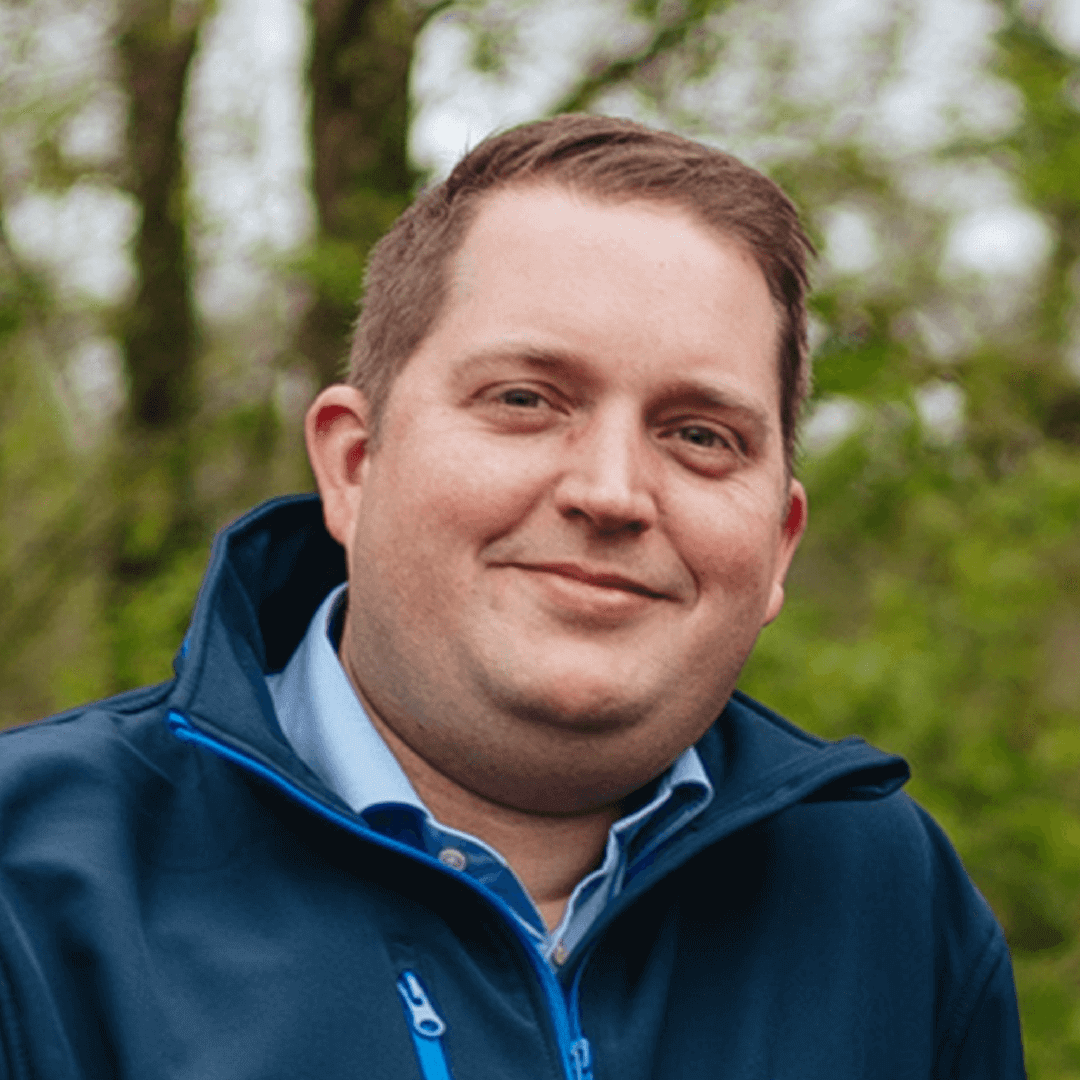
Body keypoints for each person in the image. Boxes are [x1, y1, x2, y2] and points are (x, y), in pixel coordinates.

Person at [0, 115, 1024, 1080]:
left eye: (701, 434)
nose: (612, 492)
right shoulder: (34, 884)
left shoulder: (886, 901)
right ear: (356, 465)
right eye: (526, 401)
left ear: (779, 543)